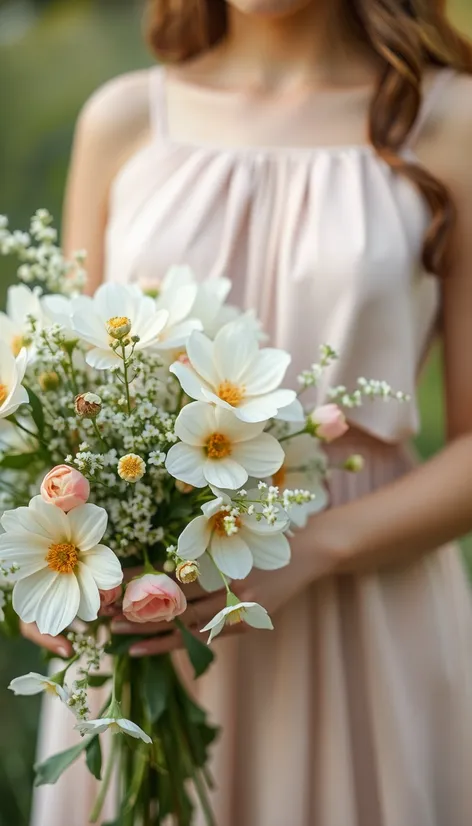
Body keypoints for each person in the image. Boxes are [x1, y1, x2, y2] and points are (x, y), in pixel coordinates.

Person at [24, 1, 472, 824]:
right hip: (149, 615)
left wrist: (311, 552)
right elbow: (68, 392)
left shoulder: (449, 120)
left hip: (365, 609)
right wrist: (48, 576)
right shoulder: (125, 119)